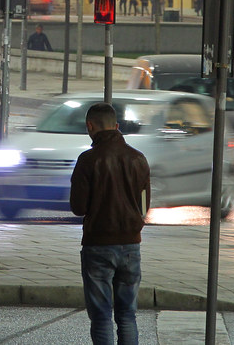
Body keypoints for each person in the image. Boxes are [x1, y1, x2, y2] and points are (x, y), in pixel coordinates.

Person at [70, 102, 151, 345]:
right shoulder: (138, 159)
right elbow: (145, 207)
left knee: (102, 316)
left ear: (90, 126)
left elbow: (78, 208)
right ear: (116, 127)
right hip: (130, 245)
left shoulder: (87, 160)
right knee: (127, 315)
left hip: (98, 245)